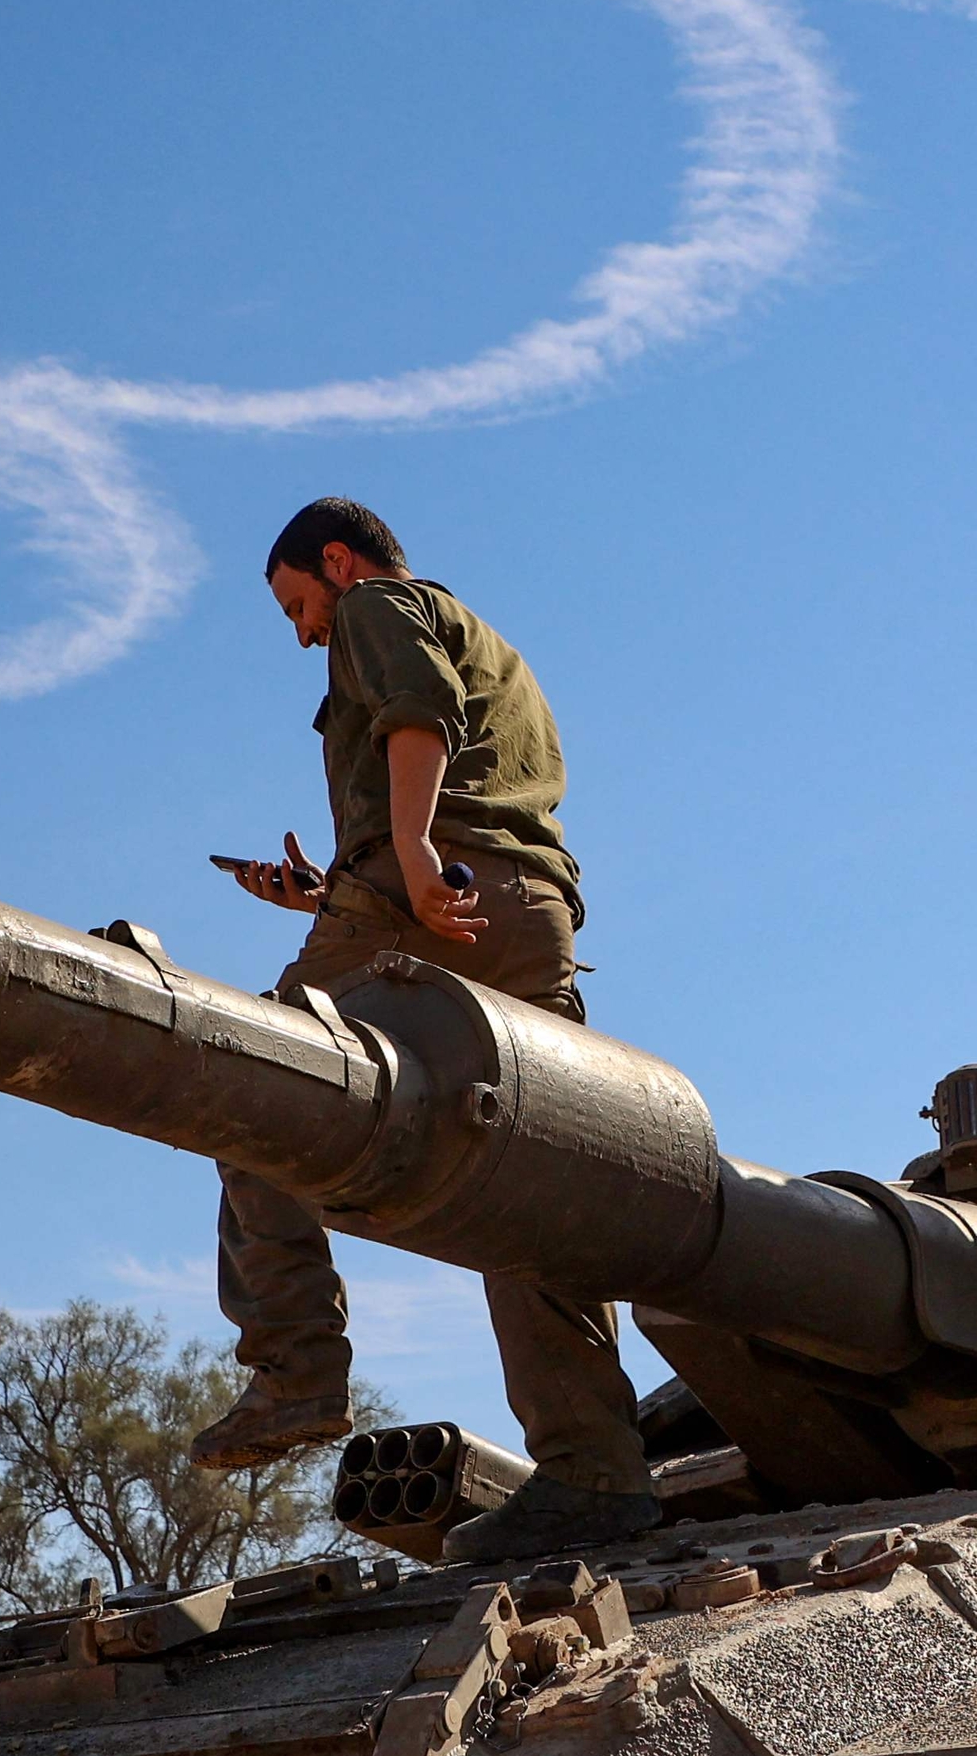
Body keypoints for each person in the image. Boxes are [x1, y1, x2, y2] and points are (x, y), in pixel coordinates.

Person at [188, 497, 656, 1559]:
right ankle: (598, 1472)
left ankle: (296, 1369)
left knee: (250, 1078)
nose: (305, 630)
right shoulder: (492, 642)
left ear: (339, 564)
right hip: (525, 916)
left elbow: (418, 712)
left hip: (423, 895)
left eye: (300, 603)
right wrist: (331, 887)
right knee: (536, 1192)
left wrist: (400, 849)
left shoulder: (377, 607)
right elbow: (479, 796)